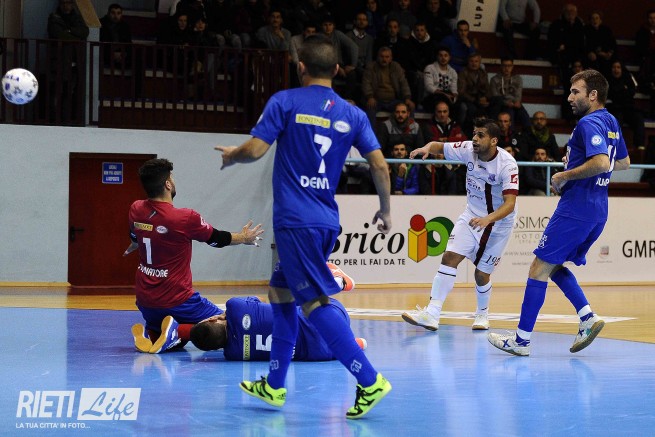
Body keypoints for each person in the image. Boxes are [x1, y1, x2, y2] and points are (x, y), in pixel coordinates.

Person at [214, 35, 392, 419]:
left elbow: (256, 149)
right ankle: (275, 385)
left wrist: (233, 155)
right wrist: (385, 210)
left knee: (313, 303)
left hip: (296, 223)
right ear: (337, 70)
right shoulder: (354, 115)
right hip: (326, 220)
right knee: (279, 293)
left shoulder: (286, 101)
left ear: (301, 67)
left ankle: (369, 380)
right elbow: (379, 165)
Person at [488, 69, 630, 356]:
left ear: (593, 95)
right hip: (598, 209)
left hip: (576, 208)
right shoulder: (611, 121)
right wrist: (582, 163)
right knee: (552, 266)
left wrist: (565, 174)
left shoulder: (589, 123)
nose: (569, 98)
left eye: (575, 92)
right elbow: (623, 162)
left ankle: (521, 341)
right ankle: (587, 317)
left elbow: (602, 162)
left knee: (538, 268)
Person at [126, 158, 264, 354]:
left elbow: (134, 237)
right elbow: (216, 239)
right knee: (230, 325)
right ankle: (176, 331)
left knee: (176, 340)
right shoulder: (185, 218)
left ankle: (155, 332)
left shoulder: (136, 209)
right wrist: (243, 238)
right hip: (179, 300)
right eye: (172, 178)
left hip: (145, 301)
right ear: (168, 184)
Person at [402, 118, 519, 331]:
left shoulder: (507, 164)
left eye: (480, 135)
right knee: (449, 257)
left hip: (498, 224)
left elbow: (510, 204)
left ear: (494, 141)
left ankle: (482, 315)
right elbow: (439, 147)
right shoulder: (467, 149)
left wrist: (488, 219)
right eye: (474, 133)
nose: (474, 139)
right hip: (471, 216)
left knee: (481, 274)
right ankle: (432, 314)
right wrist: (426, 148)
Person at [190, 294, 367, 360]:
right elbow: (259, 300)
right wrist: (225, 315)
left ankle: (353, 343)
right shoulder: (234, 306)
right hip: (331, 315)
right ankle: (338, 279)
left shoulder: (232, 354)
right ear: (212, 320)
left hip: (324, 353)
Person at [361, 47, 414, 128]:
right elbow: (366, 83)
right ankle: (370, 134)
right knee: (370, 108)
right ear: (378, 57)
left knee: (409, 107)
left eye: (387, 57)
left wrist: (407, 97)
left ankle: (409, 132)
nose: (384, 59)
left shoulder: (396, 67)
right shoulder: (371, 67)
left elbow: (403, 83)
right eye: (382, 57)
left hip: (393, 101)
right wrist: (370, 96)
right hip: (376, 100)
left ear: (391, 58)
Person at [606, 60, 645, 150]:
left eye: (618, 67)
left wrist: (619, 93)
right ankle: (615, 147)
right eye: (614, 67)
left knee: (638, 118)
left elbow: (631, 92)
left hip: (628, 108)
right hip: (614, 109)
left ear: (622, 69)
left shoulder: (628, 78)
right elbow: (610, 95)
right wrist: (623, 91)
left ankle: (640, 146)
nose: (616, 70)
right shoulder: (607, 81)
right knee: (616, 120)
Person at [547, 3, 585, 87]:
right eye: (568, 11)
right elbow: (553, 40)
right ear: (564, 12)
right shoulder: (557, 24)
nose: (570, 13)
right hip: (562, 54)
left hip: (576, 52)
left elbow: (580, 41)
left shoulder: (579, 24)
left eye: (572, 11)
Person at [488, 58, 531, 130]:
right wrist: (507, 102)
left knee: (523, 113)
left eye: (509, 66)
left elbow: (518, 94)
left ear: (512, 67)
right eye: (504, 66)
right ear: (501, 66)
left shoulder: (518, 79)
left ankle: (529, 132)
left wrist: (516, 102)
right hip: (501, 104)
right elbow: (495, 96)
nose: (507, 68)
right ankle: (511, 134)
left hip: (514, 103)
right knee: (509, 111)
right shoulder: (494, 79)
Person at [455, 52, 490, 136]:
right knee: (472, 109)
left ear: (480, 62)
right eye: (471, 61)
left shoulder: (483, 73)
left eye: (476, 61)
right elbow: (462, 92)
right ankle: (468, 133)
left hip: (479, 98)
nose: (474, 63)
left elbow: (487, 88)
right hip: (467, 99)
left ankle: (490, 131)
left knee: (494, 104)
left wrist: (486, 98)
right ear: (468, 62)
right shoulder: (463, 72)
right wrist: (476, 100)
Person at [422, 46, 458, 114]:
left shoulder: (453, 72)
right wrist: (444, 95)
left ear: (449, 57)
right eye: (440, 55)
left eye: (446, 55)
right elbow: (429, 87)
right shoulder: (430, 68)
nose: (443, 58)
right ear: (437, 57)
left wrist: (454, 96)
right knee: (443, 102)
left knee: (460, 105)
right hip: (432, 97)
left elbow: (454, 88)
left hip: (447, 96)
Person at [99, 3, 133, 69]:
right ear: (108, 13)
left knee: (138, 59)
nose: (116, 16)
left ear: (121, 14)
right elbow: (101, 42)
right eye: (113, 13)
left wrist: (123, 54)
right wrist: (112, 54)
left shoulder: (125, 26)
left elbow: (128, 43)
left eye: (118, 13)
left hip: (121, 55)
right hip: (106, 55)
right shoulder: (101, 24)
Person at [635, 9, 655, 118]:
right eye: (651, 18)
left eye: (654, 18)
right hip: (646, 62)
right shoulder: (642, 32)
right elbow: (639, 49)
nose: (653, 20)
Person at [583, 10, 616, 77]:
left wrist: (610, 52)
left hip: (605, 54)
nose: (595, 20)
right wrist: (592, 52)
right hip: (592, 55)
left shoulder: (606, 30)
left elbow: (612, 43)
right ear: (590, 20)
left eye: (597, 18)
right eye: (593, 18)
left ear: (600, 20)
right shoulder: (586, 30)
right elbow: (585, 45)